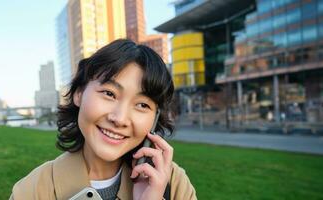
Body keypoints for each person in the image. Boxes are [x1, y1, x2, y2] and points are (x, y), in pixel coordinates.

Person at [10, 39, 196, 200]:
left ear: (155, 120)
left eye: (142, 105)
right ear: (79, 93)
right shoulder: (31, 191)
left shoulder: (174, 184)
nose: (120, 119)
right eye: (109, 93)